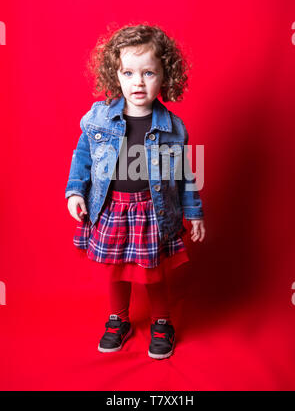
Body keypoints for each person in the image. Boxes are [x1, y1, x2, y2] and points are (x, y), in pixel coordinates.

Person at [65, 23, 206, 360]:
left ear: (165, 76)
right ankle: (118, 320)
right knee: (115, 270)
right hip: (112, 208)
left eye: (148, 73)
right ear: (115, 75)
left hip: (151, 211)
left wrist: (195, 212)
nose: (138, 82)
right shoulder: (98, 119)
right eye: (128, 72)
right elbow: (82, 157)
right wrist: (75, 192)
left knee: (154, 272)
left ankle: (161, 323)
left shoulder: (173, 127)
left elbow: (184, 174)